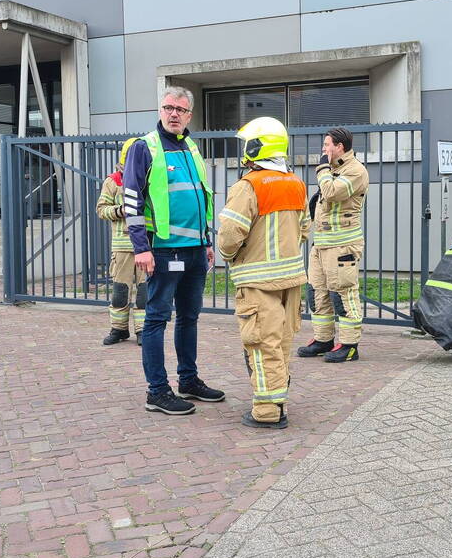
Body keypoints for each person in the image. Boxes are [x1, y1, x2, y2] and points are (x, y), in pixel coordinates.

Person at [122, 86, 225, 415]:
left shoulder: (193, 148)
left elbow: (201, 197)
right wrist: (141, 247)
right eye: (168, 108)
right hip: (163, 251)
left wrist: (206, 241)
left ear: (189, 115)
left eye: (180, 109)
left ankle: (188, 380)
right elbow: (131, 200)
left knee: (189, 318)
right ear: (160, 110)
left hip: (195, 250)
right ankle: (157, 390)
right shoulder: (145, 148)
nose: (173, 114)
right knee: (156, 320)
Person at [218, 117, 309, 429]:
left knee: (261, 345)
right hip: (292, 279)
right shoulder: (297, 183)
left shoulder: (248, 186)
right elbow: (305, 229)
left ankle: (267, 413)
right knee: (282, 344)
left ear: (255, 147)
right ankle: (279, 403)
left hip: (257, 281)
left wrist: (230, 256)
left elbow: (229, 236)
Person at [297, 128, 370, 363]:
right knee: (317, 293)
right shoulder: (334, 170)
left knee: (343, 295)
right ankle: (323, 340)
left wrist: (322, 167)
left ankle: (349, 346)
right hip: (322, 244)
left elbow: (330, 193)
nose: (323, 149)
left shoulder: (356, 171)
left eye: (327, 144)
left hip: (343, 246)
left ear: (340, 147)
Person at [96, 137, 146, 346]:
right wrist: (120, 211)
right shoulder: (112, 181)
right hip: (123, 247)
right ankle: (119, 329)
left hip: (146, 246)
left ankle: (143, 331)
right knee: (120, 292)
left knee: (145, 293)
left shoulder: (149, 178)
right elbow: (101, 209)